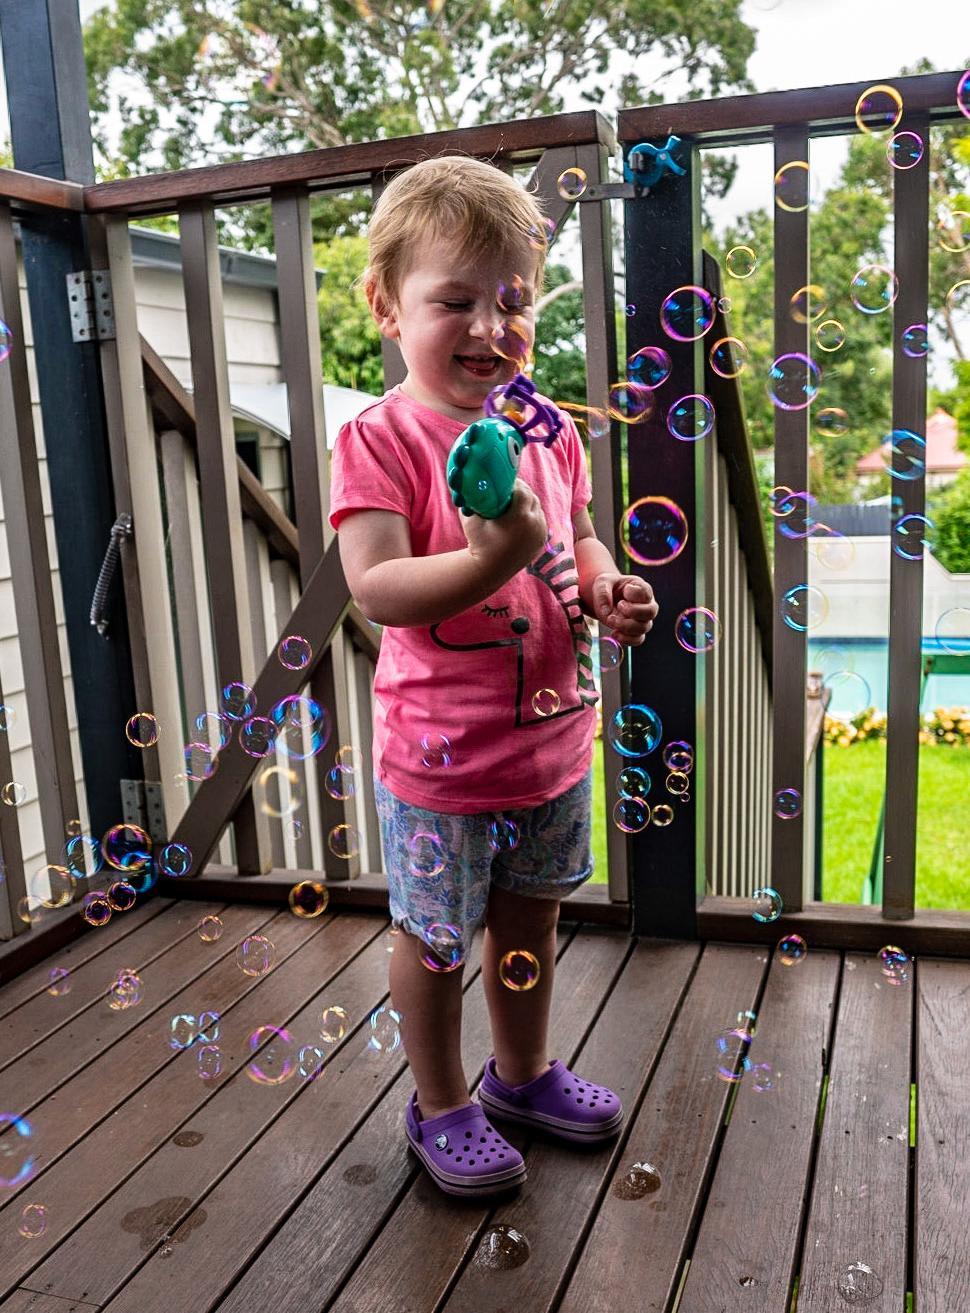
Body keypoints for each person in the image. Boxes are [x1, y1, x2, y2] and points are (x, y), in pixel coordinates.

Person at [330, 154, 658, 1198]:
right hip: (442, 760)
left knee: (529, 921)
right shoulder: (377, 439)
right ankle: (441, 1106)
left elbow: (582, 535)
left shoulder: (544, 428)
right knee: (434, 942)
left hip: (550, 743)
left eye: (510, 301)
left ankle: (519, 1076)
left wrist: (607, 586)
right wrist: (489, 557)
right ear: (386, 305)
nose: (487, 327)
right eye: (453, 301)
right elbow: (378, 586)